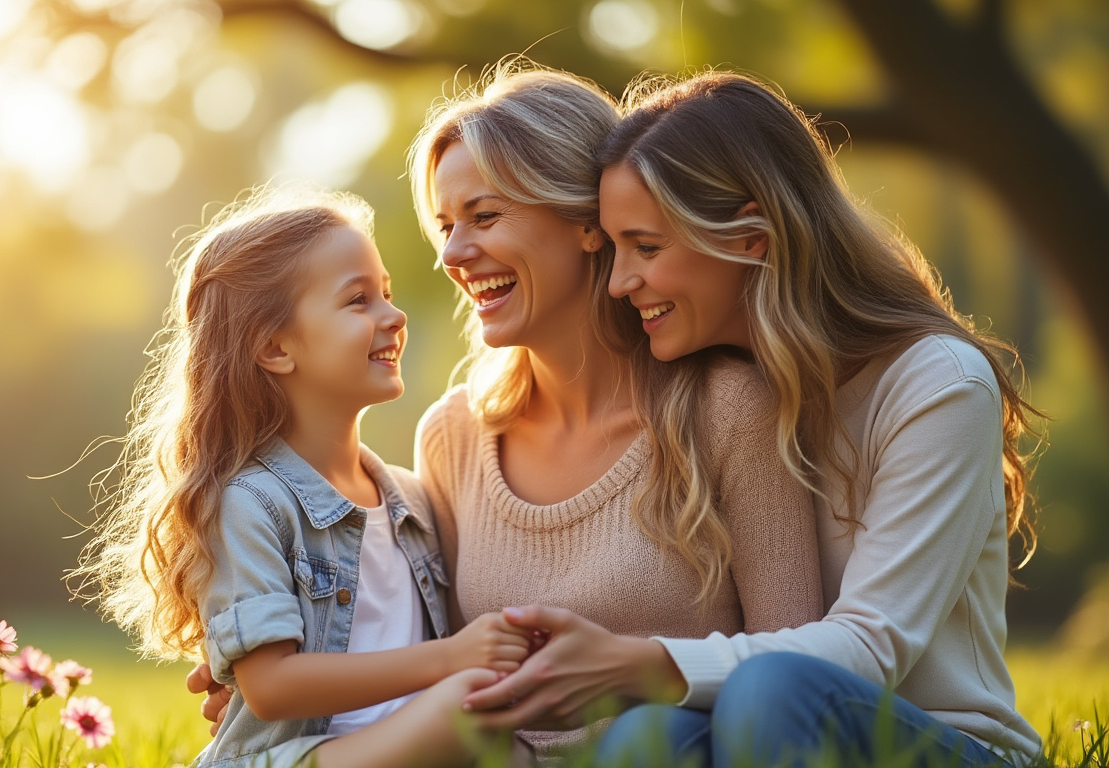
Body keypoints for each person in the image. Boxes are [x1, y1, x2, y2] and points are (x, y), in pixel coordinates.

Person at [189, 62, 826, 765]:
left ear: (588, 223)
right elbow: (426, 661)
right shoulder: (453, 441)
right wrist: (263, 682)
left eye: (484, 217)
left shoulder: (726, 410)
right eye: (446, 225)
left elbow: (790, 679)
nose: (455, 255)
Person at [464, 71, 1044, 767]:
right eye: (614, 248)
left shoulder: (936, 384)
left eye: (647, 247)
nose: (620, 281)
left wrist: (635, 662)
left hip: (936, 744)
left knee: (769, 692)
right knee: (645, 739)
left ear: (751, 239)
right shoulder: (729, 394)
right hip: (761, 733)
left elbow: (869, 647)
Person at [75, 186, 543, 768]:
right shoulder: (251, 503)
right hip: (298, 759)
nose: (393, 316)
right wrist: (451, 661)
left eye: (388, 294)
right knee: (472, 708)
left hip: (409, 752)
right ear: (275, 347)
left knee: (503, 729)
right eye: (358, 301)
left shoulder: (412, 500)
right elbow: (272, 688)